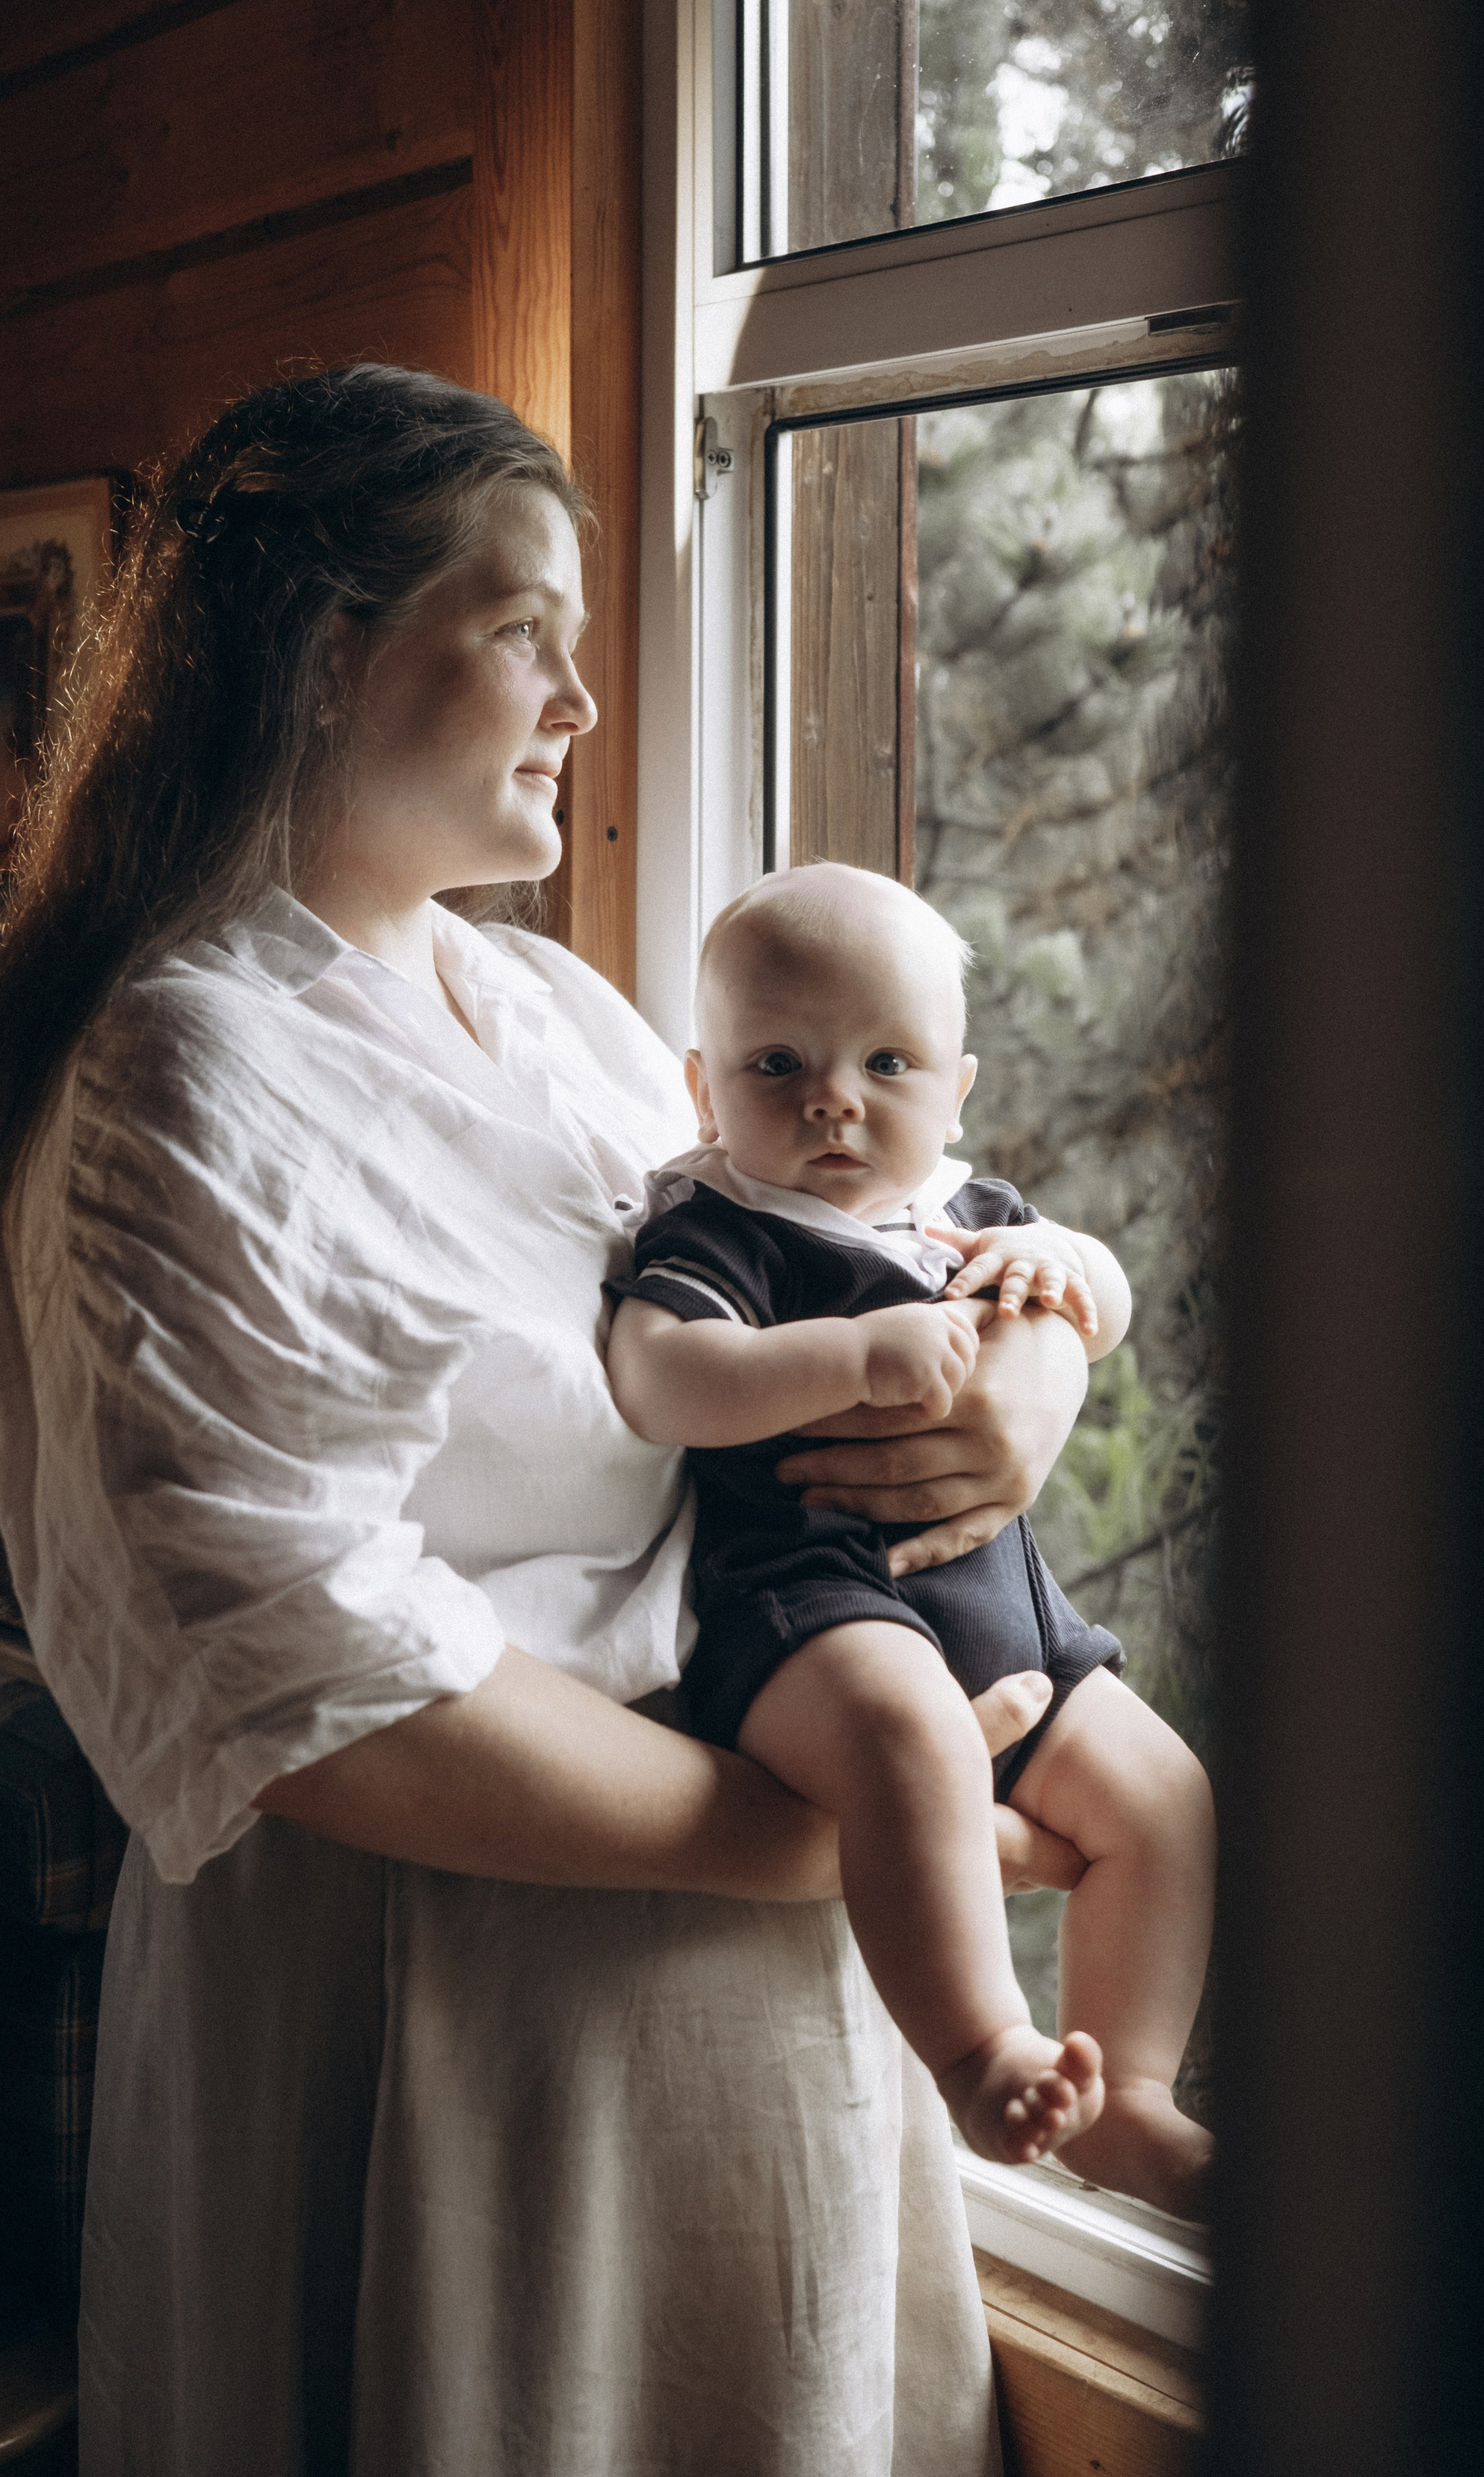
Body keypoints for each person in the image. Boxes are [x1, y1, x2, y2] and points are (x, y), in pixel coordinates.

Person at [0, 368, 1098, 2477]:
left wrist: (1020, 1393)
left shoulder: (555, 1014)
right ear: (320, 650)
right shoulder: (172, 1074)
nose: (582, 705)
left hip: (751, 2028)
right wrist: (834, 1844)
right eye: (528, 633)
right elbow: (321, 1696)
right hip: (444, 2055)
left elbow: (876, 1240)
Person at [607, 863, 1216, 2220]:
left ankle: (1131, 2097)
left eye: (888, 1060)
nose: (835, 1097)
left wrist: (1075, 1288)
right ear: (706, 1092)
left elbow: (1097, 1288)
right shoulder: (728, 1226)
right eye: (781, 1063)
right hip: (812, 1608)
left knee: (1164, 1797)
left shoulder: (973, 1211)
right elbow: (657, 1378)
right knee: (917, 1742)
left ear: (958, 1088)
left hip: (1008, 1605)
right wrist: (852, 1355)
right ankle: (981, 2048)